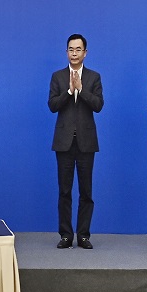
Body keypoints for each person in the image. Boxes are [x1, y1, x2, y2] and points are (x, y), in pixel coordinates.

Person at [48, 34, 104, 249]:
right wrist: (70, 91)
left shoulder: (94, 77)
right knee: (64, 191)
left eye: (78, 49)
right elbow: (52, 105)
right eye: (71, 49)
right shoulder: (58, 77)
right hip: (63, 142)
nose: (74, 53)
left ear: (85, 53)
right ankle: (65, 235)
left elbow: (98, 105)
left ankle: (83, 235)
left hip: (86, 143)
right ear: (66, 52)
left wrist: (81, 90)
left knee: (86, 192)